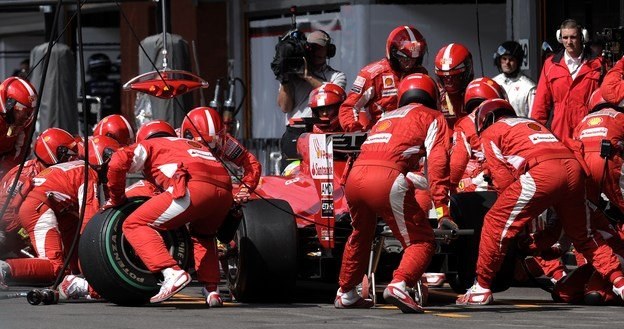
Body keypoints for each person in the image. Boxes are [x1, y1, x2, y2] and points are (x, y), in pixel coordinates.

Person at [456, 98, 624, 305]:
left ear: (485, 120)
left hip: (543, 172)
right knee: (586, 237)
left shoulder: (492, 132)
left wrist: (519, 226)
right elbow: (558, 227)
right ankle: (621, 283)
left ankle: (481, 287)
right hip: (574, 168)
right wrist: (536, 245)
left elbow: (504, 180)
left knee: (494, 220)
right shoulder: (535, 126)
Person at [335, 73, 454, 313]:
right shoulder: (434, 117)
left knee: (361, 234)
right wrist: (442, 210)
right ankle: (400, 284)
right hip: (387, 179)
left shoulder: (385, 117)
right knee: (422, 240)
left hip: (355, 178)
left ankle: (346, 292)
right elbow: (439, 164)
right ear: (432, 95)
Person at [106, 119, 257, 305]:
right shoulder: (192, 143)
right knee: (204, 235)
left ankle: (171, 273)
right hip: (225, 191)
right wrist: (245, 188)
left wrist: (117, 198)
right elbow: (251, 162)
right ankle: (212, 291)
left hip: (194, 189)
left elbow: (117, 162)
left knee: (134, 224)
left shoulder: (148, 145)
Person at [0, 136, 118, 298]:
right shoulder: (89, 175)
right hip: (37, 209)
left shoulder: (77, 168)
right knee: (55, 267)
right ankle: (3, 269)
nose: (116, 167)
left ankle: (78, 276)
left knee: (67, 261)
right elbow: (89, 221)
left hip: (43, 207)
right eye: (113, 161)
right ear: (102, 157)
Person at [0, 128, 77, 265]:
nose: (71, 159)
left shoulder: (54, 173)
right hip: (10, 236)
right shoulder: (25, 176)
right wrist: (26, 235)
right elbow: (5, 213)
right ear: (53, 152)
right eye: (66, 154)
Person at [339, 25, 428, 132]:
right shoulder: (372, 75)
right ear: (392, 52)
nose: (410, 62)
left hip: (412, 134)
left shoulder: (421, 73)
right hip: (381, 135)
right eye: (404, 57)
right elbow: (348, 108)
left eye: (415, 58)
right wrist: (356, 132)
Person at [277, 30, 346, 166]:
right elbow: (285, 107)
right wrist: (285, 79)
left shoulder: (337, 76)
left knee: (320, 180)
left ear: (329, 51)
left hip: (322, 133)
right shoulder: (292, 74)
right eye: (313, 48)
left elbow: (332, 94)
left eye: (321, 47)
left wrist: (307, 76)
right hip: (294, 133)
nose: (317, 51)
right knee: (292, 177)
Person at [531, 19, 603, 141]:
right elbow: (540, 105)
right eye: (565, 38)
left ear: (582, 37)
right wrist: (536, 135)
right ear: (560, 38)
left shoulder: (598, 65)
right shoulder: (551, 65)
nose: (569, 42)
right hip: (559, 131)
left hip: (588, 129)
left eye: (573, 37)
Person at [450, 77, 506, 193]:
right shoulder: (509, 119)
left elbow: (457, 163)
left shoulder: (464, 124)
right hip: (514, 174)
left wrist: (449, 186)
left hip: (484, 180)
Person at [0, 77, 37, 179]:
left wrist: (7, 173)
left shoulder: (26, 121)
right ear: (9, 104)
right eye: (24, 111)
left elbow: (21, 149)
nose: (27, 117)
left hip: (6, 157)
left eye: (30, 111)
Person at [492, 41, 536, 117]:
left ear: (518, 61)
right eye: (504, 59)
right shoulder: (493, 82)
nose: (507, 63)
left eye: (511, 59)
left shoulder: (529, 87)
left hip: (520, 127)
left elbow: (534, 117)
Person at [434, 43, 474, 127]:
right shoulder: (435, 95)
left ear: (466, 72)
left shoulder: (478, 93)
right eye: (444, 77)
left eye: (454, 76)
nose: (449, 81)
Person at [86, 53, 121, 120]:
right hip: (113, 120)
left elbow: (83, 106)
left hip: (94, 122)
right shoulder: (116, 84)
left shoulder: (87, 85)